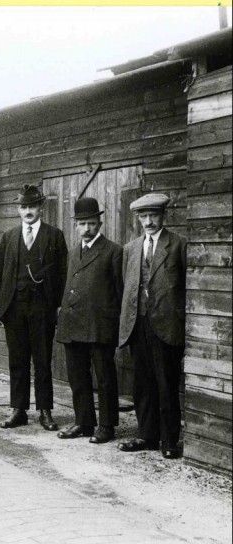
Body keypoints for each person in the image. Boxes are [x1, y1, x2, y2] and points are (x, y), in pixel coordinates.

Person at [0, 184, 68, 431]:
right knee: (17, 360)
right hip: (14, 308)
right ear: (18, 210)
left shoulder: (54, 235)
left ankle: (45, 410)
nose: (28, 211)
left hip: (43, 308)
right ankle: (18, 410)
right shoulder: (9, 237)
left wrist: (59, 305)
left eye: (32, 206)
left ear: (40, 208)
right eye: (23, 207)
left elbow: (63, 274)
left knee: (43, 360)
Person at [117, 193, 187, 459]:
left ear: (162, 216)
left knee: (166, 385)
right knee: (143, 384)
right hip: (139, 325)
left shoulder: (178, 245)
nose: (148, 221)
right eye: (143, 217)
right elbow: (127, 286)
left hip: (167, 327)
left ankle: (169, 441)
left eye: (153, 216)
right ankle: (147, 435)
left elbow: (184, 288)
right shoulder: (130, 249)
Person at [55, 197, 122, 444]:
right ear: (75, 225)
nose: (87, 229)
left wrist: (113, 324)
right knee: (77, 376)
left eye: (91, 223)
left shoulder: (113, 251)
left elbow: (119, 291)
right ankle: (84, 422)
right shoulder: (73, 253)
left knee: (104, 378)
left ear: (100, 223)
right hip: (73, 323)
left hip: (99, 325)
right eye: (82, 224)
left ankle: (106, 425)